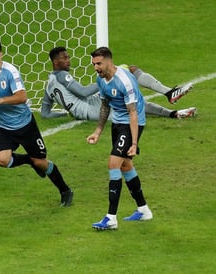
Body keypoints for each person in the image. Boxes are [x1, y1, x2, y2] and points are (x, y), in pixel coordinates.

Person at [0, 38, 73, 207]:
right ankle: (27, 160)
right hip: (4, 127)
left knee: (41, 161)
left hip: (25, 125)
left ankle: (65, 190)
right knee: (2, 160)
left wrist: (1, 101)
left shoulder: (10, 71)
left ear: (0, 55)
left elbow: (22, 97)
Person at [86, 47, 153, 230]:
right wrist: (98, 131)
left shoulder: (125, 81)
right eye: (94, 64)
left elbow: (133, 112)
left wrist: (133, 143)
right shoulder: (101, 80)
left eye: (99, 63)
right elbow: (105, 106)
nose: (96, 67)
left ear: (109, 61)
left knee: (113, 164)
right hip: (117, 123)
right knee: (125, 165)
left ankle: (111, 218)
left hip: (133, 124)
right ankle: (144, 210)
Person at [41, 47, 196, 120]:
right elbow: (83, 92)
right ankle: (170, 95)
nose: (69, 61)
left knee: (133, 97)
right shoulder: (62, 76)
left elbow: (45, 114)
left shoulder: (48, 85)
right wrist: (105, 78)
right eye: (65, 58)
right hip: (92, 109)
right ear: (55, 61)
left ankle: (173, 112)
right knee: (131, 74)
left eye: (68, 57)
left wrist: (67, 113)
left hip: (87, 109)